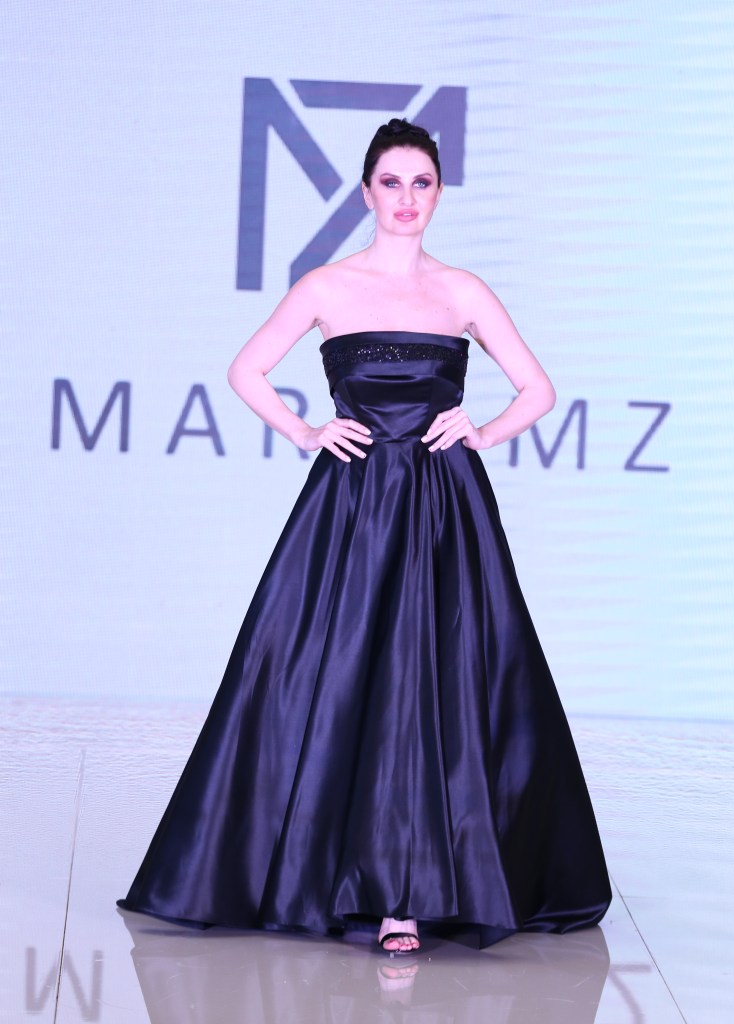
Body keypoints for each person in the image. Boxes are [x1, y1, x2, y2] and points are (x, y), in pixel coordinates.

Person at [118, 119, 612, 956]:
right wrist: (306, 431)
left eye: (422, 183)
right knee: (319, 674)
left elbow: (538, 388)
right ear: (366, 192)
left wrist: (483, 432)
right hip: (349, 507)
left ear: (439, 194)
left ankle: (403, 896)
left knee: (433, 685)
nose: (407, 198)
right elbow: (246, 369)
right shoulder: (327, 285)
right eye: (392, 182)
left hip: (443, 509)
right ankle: (322, 873)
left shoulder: (462, 291)